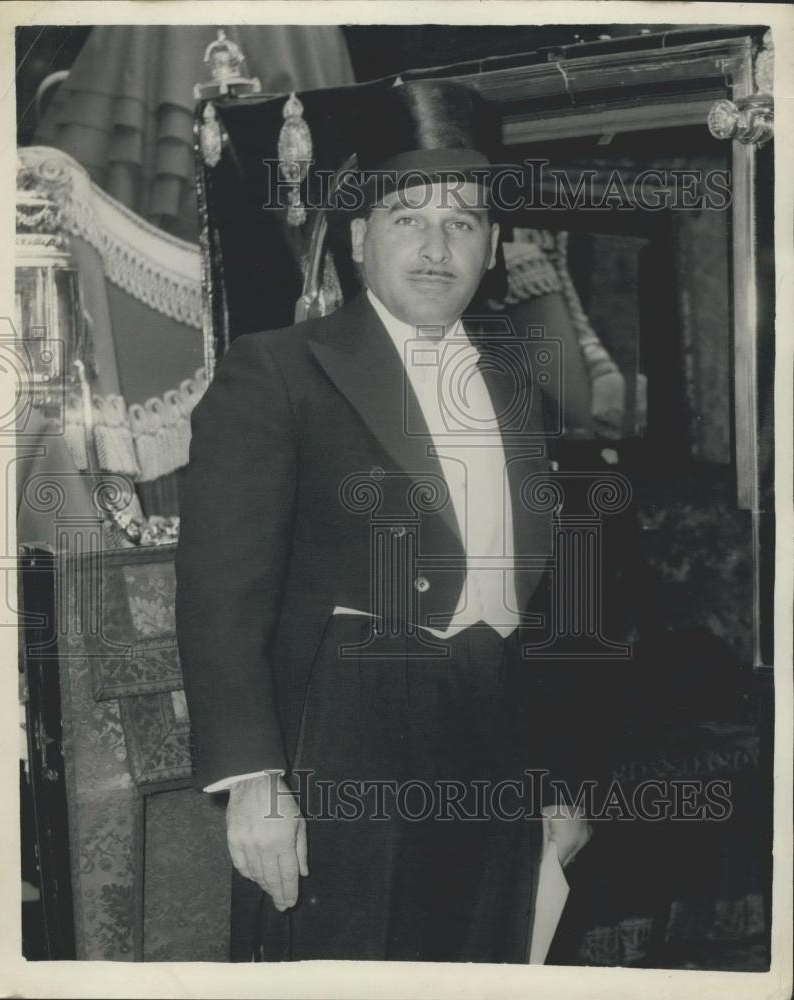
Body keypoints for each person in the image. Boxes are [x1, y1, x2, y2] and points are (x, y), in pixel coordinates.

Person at [175, 79, 591, 962]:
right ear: (359, 241)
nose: (438, 246)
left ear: (490, 248)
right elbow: (220, 596)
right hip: (348, 738)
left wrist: (556, 777)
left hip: (497, 735)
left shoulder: (520, 387)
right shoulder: (277, 372)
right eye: (410, 219)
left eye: (464, 223)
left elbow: (544, 603)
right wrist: (254, 784)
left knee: (483, 966)